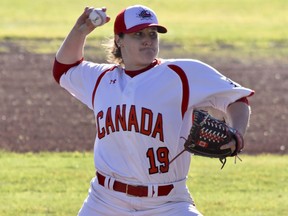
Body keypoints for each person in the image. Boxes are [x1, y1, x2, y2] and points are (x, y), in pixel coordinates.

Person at [52, 5, 254, 216]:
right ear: (119, 40)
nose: (148, 39)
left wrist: (237, 133)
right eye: (138, 34)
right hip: (105, 201)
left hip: (167, 203)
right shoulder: (101, 79)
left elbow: (237, 98)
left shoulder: (182, 73)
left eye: (152, 34)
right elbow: (63, 69)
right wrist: (80, 31)